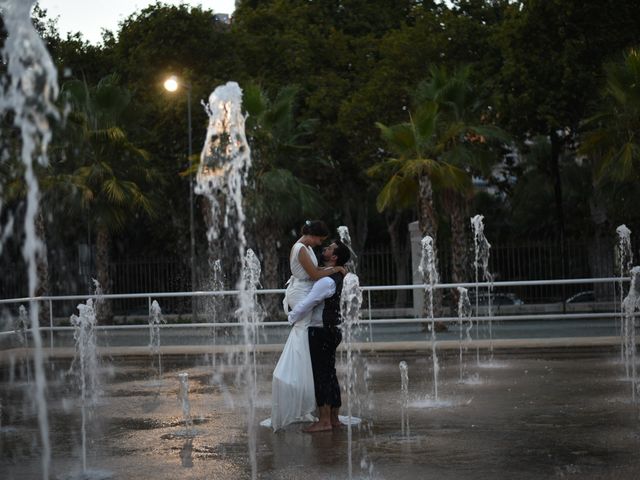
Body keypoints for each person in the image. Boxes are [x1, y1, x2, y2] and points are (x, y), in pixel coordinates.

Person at [270, 221, 346, 431]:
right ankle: (299, 385)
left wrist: (331, 269)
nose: (321, 244)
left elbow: (316, 271)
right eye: (320, 239)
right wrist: (336, 269)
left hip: (307, 292)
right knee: (303, 334)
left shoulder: (308, 248)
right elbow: (314, 275)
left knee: (309, 342)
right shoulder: (301, 249)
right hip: (301, 292)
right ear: (312, 235)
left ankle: (312, 399)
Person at [287, 240, 351, 432]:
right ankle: (334, 418)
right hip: (333, 329)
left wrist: (292, 316)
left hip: (320, 330)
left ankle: (324, 421)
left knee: (321, 375)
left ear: (334, 257)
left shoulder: (325, 281)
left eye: (330, 248)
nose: (325, 249)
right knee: (330, 374)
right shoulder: (338, 277)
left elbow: (309, 302)